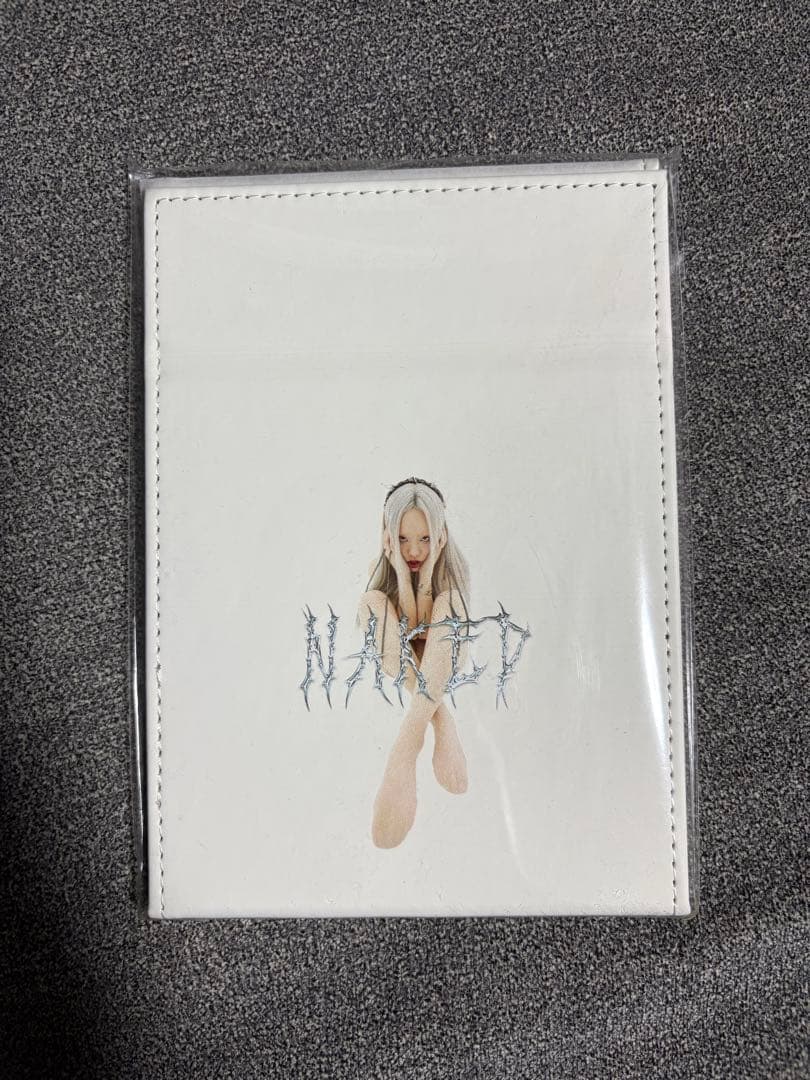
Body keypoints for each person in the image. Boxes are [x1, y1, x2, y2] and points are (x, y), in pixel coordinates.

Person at [358, 477, 472, 848]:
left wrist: (428, 574)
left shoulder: (452, 571)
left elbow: (426, 632)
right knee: (372, 602)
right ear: (388, 535)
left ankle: (404, 749)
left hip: (443, 656)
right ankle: (439, 719)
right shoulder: (382, 567)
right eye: (403, 538)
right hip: (408, 664)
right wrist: (403, 581)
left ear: (440, 535)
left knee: (449, 602)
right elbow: (408, 633)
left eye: (425, 538)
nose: (414, 550)